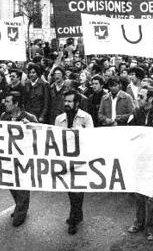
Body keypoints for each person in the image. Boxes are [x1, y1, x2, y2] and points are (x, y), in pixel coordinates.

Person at [126, 87, 153, 241]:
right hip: (139, 161)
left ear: (150, 99)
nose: (137, 98)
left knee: (152, 199)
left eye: (141, 96)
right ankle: (138, 222)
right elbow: (128, 134)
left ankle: (152, 229)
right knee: (139, 195)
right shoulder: (136, 113)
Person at [54, 90, 93, 235]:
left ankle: (73, 218)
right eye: (65, 101)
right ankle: (78, 213)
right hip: (65, 159)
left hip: (80, 159)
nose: (67, 104)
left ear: (77, 103)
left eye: (70, 101)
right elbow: (55, 139)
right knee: (71, 189)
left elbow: (92, 138)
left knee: (77, 189)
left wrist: (80, 132)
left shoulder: (86, 118)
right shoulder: (59, 119)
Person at [0, 91, 39, 227]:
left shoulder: (29, 117)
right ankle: (19, 206)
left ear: (16, 103)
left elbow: (41, 134)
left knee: (22, 184)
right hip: (9, 156)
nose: (5, 104)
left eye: (8, 101)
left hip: (24, 158)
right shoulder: (4, 116)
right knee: (11, 183)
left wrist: (31, 126)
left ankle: (21, 211)